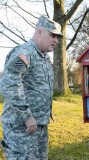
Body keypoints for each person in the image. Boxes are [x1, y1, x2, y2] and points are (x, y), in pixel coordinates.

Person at [0, 15, 62, 159]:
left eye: (57, 37)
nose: (56, 40)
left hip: (38, 125)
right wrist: (27, 116)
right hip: (21, 126)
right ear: (39, 32)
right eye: (52, 35)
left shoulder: (43, 57)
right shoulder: (25, 53)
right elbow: (9, 83)